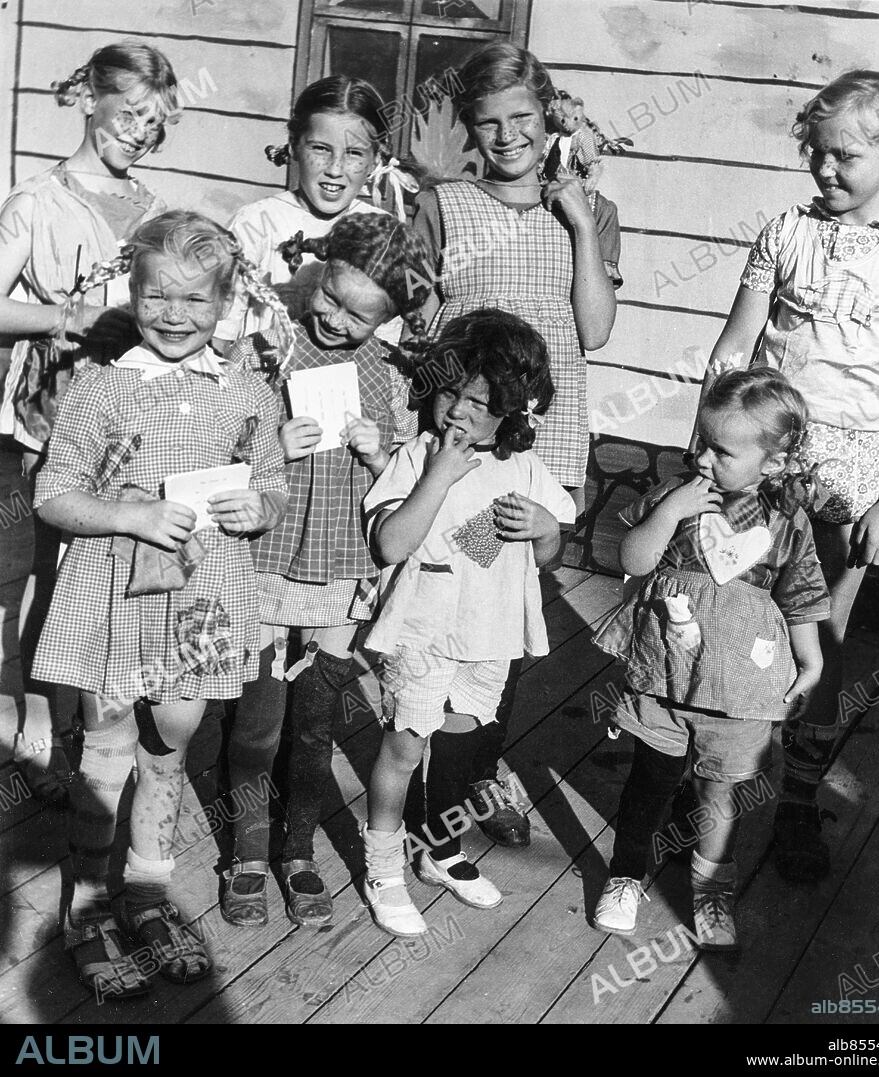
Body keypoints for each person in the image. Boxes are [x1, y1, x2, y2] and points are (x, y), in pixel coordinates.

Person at [29, 210, 289, 1000]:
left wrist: (261, 509)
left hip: (200, 600)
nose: (175, 316)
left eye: (195, 301)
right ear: (132, 290)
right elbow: (52, 495)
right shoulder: (100, 389)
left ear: (227, 300)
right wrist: (129, 514)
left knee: (171, 739)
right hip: (111, 594)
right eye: (157, 296)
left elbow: (272, 481)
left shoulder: (247, 392)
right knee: (106, 744)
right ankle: (88, 904)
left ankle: (147, 888)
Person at [698, 70, 879, 884]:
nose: (826, 171)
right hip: (767, 454)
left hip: (856, 467)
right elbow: (736, 347)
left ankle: (796, 802)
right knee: (727, 608)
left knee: (819, 640)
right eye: (817, 155)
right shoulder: (785, 233)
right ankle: (700, 764)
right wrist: (713, 444)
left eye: (847, 156)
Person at [409, 42, 621, 848]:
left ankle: (477, 770)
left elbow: (595, 329)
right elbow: (418, 321)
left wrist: (575, 219)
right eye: (489, 123)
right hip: (463, 431)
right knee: (442, 596)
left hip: (548, 432)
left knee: (512, 605)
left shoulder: (588, 211)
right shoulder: (446, 204)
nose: (507, 137)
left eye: (523, 119)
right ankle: (420, 755)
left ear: (550, 119)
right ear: (470, 129)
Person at [222, 213, 430, 930]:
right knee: (256, 721)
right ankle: (248, 851)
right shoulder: (271, 349)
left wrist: (380, 456)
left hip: (341, 565)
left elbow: (400, 486)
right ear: (321, 272)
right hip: (266, 556)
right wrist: (268, 444)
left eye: (360, 314)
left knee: (314, 723)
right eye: (331, 298)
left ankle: (297, 849)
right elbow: (220, 443)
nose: (336, 319)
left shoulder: (395, 377)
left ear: (392, 317)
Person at [592, 369, 829, 949]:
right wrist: (669, 512)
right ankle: (625, 875)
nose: (703, 459)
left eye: (722, 452)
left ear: (771, 464)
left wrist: (812, 662)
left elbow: (799, 594)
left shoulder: (786, 524)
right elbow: (635, 558)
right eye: (701, 442)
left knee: (720, 792)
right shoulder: (678, 498)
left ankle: (712, 889)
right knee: (649, 779)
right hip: (666, 671)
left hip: (741, 685)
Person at [0, 41, 179, 805]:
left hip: (134, 425)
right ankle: (35, 724)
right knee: (41, 574)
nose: (139, 132)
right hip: (56, 417)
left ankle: (95, 724)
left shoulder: (154, 207)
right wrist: (59, 316)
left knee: (100, 574)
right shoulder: (37, 201)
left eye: (155, 122)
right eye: (131, 113)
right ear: (88, 99)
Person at [360, 308, 576, 937]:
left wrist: (546, 532)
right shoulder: (416, 456)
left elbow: (533, 555)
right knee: (406, 744)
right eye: (450, 393)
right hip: (424, 627)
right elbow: (393, 546)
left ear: (514, 410)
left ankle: (440, 849)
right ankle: (382, 865)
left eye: (479, 403)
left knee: (458, 741)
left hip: (488, 627)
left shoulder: (524, 468)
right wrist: (437, 476)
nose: (457, 412)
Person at [213, 75, 414, 348]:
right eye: (320, 149)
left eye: (354, 153)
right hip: (258, 376)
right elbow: (221, 332)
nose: (334, 168)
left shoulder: (383, 234)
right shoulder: (256, 223)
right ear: (294, 144)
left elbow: (387, 341)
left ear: (376, 159)